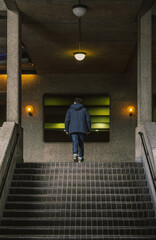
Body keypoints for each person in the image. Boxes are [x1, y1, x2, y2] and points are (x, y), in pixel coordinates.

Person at [65, 97, 91, 163]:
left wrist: (66, 129)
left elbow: (67, 120)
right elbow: (88, 120)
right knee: (81, 143)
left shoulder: (70, 110)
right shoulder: (84, 109)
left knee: (75, 142)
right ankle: (80, 157)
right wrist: (89, 129)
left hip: (73, 129)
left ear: (75, 102)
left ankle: (75, 154)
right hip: (82, 129)